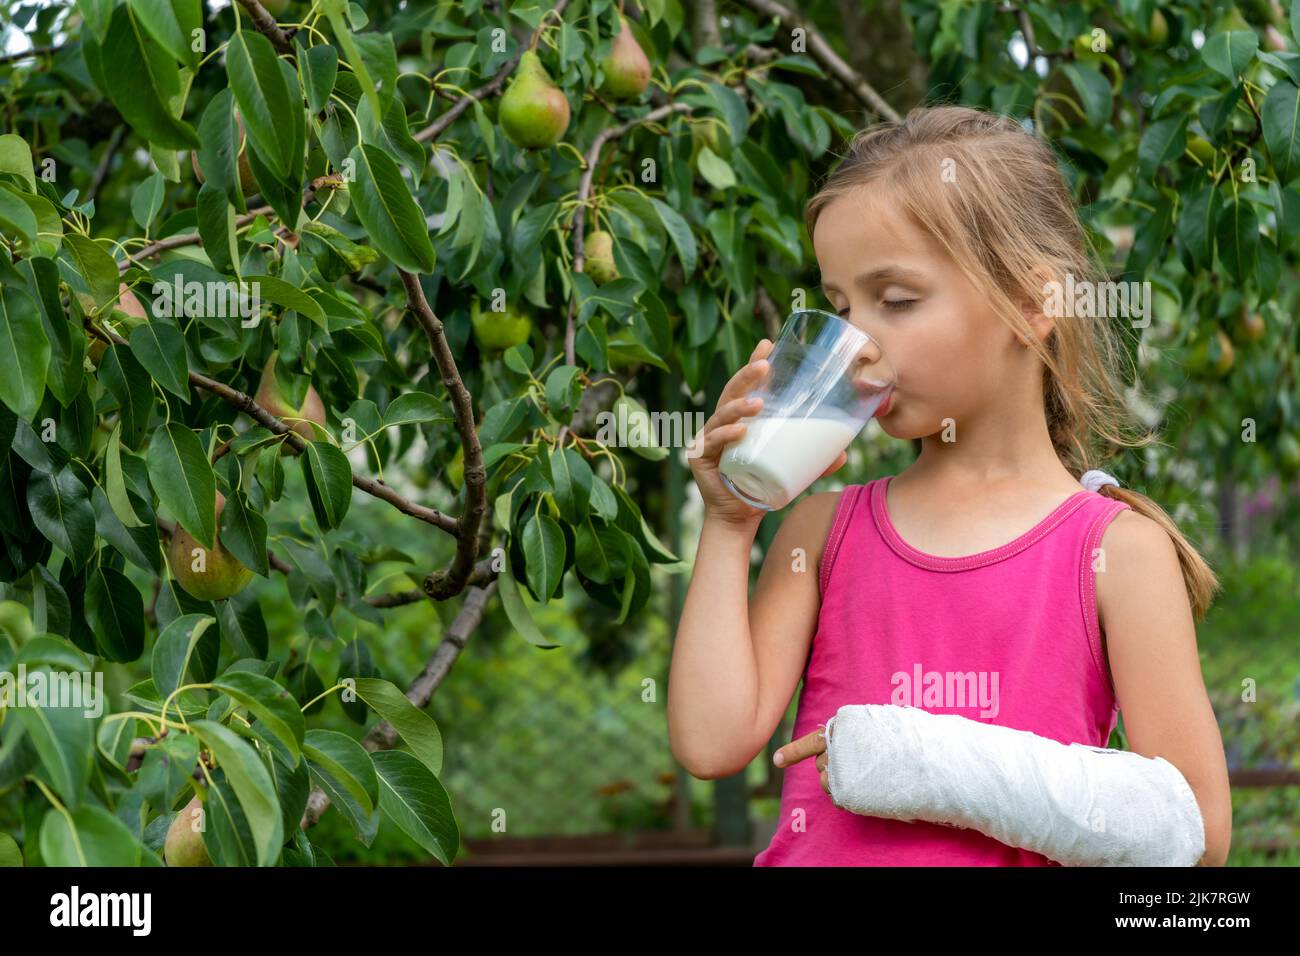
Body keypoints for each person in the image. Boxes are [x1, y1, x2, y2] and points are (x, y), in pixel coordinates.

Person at [666, 105, 1231, 866]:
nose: (858, 343)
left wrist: (935, 761)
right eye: (840, 308)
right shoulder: (820, 533)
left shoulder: (1117, 553)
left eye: (896, 301)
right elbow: (711, 742)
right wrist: (731, 524)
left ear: (1033, 306)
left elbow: (1196, 832)